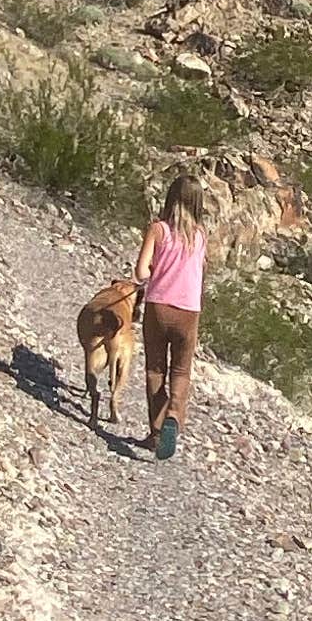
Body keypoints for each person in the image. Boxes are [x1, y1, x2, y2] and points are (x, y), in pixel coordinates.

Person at [134, 169, 206, 462]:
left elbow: (140, 272)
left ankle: (156, 430)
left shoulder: (158, 229)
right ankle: (175, 414)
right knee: (181, 370)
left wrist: (153, 273)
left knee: (155, 370)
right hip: (189, 310)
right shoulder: (201, 236)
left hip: (158, 307)